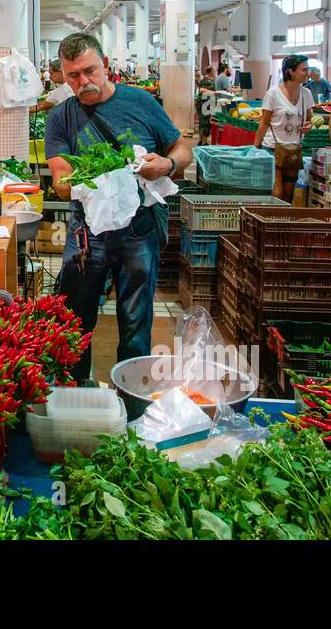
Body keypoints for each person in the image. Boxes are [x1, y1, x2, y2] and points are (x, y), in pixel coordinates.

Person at [46, 33, 193, 381]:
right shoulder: (61, 117)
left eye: (89, 71)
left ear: (106, 66)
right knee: (75, 323)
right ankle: (75, 396)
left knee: (135, 323)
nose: (83, 82)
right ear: (63, 77)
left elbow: (183, 149)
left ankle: (131, 406)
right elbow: (60, 181)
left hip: (137, 232)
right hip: (87, 235)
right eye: (73, 76)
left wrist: (168, 165)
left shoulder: (141, 103)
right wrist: (71, 181)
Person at [254, 55, 314, 202]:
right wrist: (255, 147)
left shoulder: (307, 94)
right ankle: (271, 222)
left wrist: (308, 126)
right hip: (273, 148)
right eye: (304, 70)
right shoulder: (273, 93)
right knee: (277, 193)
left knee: (288, 195)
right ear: (290, 71)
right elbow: (264, 122)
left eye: (308, 69)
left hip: (294, 150)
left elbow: (309, 120)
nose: (308, 73)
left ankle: (283, 223)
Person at [194, 67, 217, 145]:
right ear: (211, 71)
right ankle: (204, 143)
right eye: (214, 70)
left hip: (204, 103)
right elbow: (202, 90)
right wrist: (214, 92)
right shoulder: (208, 80)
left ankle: (201, 141)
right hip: (205, 104)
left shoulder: (207, 79)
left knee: (202, 123)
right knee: (205, 123)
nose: (215, 72)